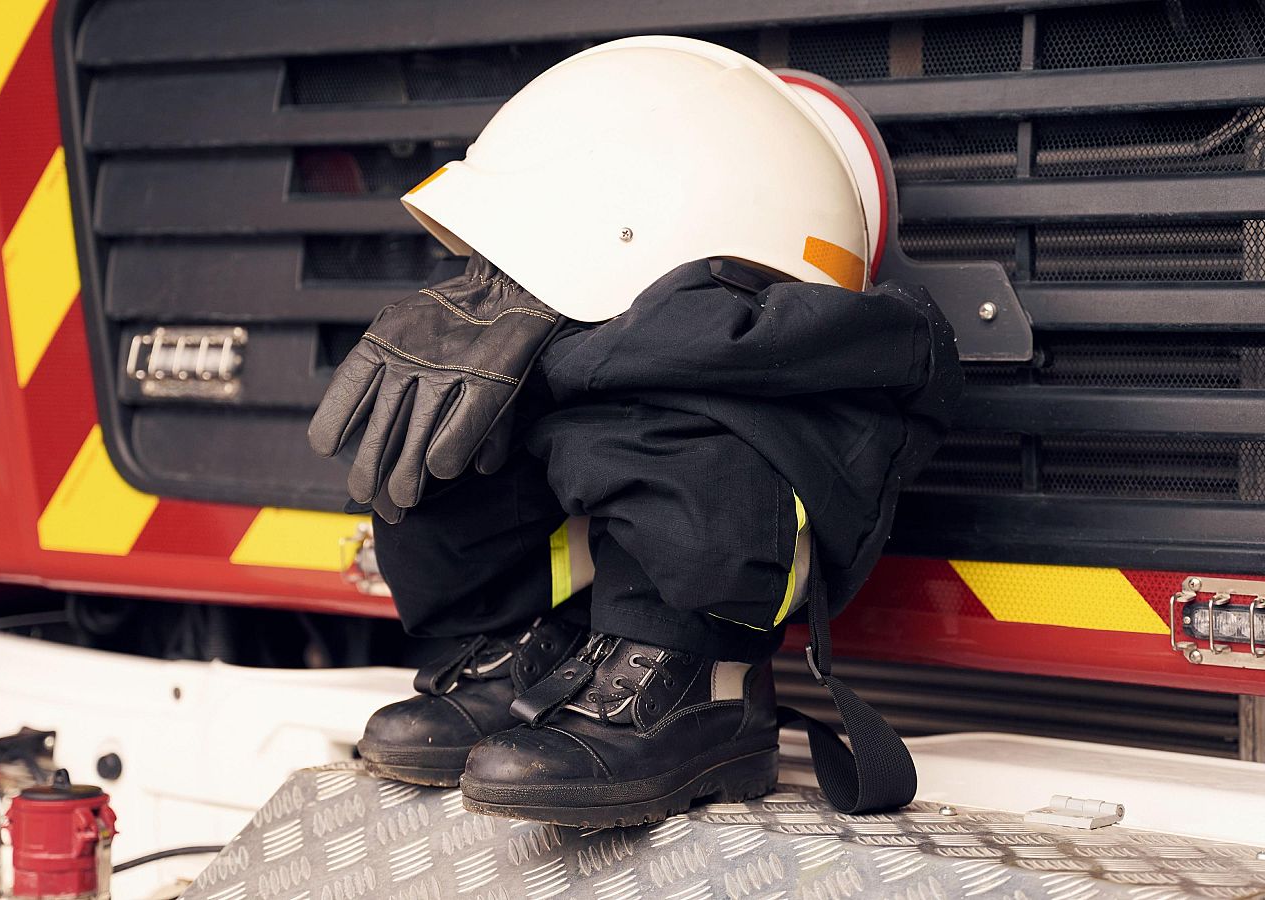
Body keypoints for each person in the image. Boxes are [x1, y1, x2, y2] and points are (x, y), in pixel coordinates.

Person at [308, 37, 961, 828]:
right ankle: (541, 646)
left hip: (718, 595)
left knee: (654, 397)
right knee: (497, 396)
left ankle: (702, 689)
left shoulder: (788, 380)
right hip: (579, 594)